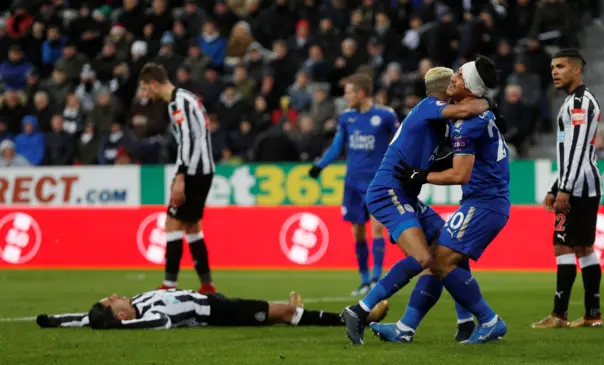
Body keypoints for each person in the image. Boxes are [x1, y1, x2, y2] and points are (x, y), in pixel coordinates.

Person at [340, 66, 492, 345]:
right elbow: (465, 112)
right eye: (454, 81)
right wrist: (485, 101)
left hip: (405, 194)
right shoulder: (429, 106)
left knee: (452, 250)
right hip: (389, 191)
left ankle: (466, 322)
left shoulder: (436, 119)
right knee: (425, 259)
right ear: (447, 87)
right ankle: (359, 310)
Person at [308, 73, 399, 296]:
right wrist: (320, 166)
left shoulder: (385, 115)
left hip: (377, 182)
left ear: (360, 93)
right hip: (352, 183)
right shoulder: (347, 117)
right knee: (358, 232)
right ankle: (364, 279)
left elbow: (399, 143)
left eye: (348, 92)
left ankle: (377, 278)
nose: (346, 97)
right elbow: (338, 146)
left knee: (377, 227)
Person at [531, 49, 603, 329]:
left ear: (577, 70)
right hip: (581, 183)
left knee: (563, 245)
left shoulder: (580, 103)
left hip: (579, 187)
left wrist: (565, 189)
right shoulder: (572, 103)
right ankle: (592, 314)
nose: (554, 72)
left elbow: (577, 149)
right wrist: (555, 185)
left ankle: (559, 315)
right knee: (584, 247)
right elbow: (569, 153)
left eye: (560, 66)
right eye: (552, 67)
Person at [138, 63, 216, 294]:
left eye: (145, 87)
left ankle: (169, 284)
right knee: (192, 226)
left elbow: (188, 139)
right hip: (203, 169)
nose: (145, 93)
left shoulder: (177, 102)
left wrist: (181, 174)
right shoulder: (186, 97)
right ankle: (206, 284)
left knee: (172, 222)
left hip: (193, 171)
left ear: (154, 83)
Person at [35, 290, 389, 330]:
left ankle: (297, 311)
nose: (114, 295)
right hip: (218, 313)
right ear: (121, 315)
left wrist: (52, 321)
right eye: (112, 302)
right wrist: (118, 328)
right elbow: (160, 323)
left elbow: (85, 319)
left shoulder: (137, 304)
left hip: (217, 303)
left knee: (282, 311)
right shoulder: (151, 317)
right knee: (282, 312)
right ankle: (357, 317)